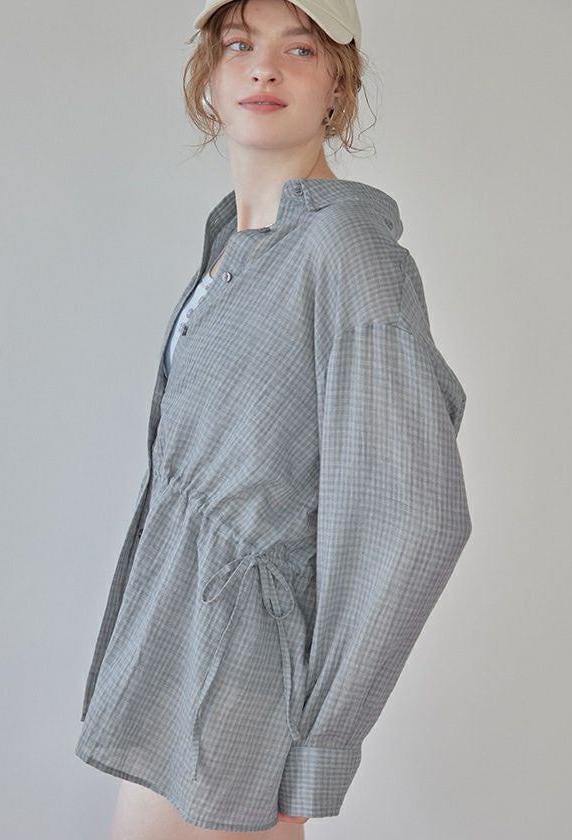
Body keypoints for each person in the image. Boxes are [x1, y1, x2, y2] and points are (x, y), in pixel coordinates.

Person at [75, 1, 473, 838]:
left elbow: (419, 516)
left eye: (299, 49)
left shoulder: (346, 253)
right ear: (208, 79)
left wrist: (320, 746)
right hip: (174, 666)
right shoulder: (235, 237)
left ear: (338, 86)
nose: (264, 67)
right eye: (240, 44)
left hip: (244, 694)